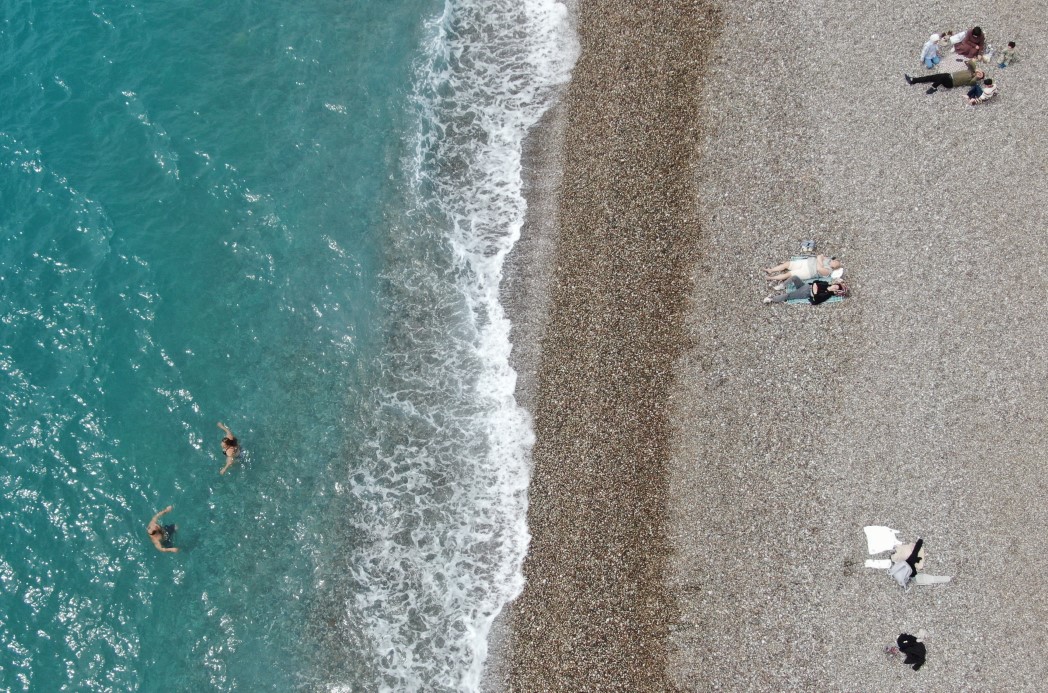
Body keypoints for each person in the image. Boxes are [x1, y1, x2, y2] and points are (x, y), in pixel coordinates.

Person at [904, 60, 984, 94]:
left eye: (980, 76)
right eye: (980, 73)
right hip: (949, 75)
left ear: (979, 78)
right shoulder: (970, 70)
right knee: (932, 77)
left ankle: (934, 87)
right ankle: (913, 80)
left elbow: (972, 83)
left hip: (951, 83)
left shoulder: (973, 80)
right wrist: (976, 69)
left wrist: (977, 77)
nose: (979, 74)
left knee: (942, 78)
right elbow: (969, 62)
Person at [763, 277, 848, 305]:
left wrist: (814, 291)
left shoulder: (827, 294)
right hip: (805, 286)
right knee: (795, 277)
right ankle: (782, 286)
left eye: (836, 288)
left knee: (787, 295)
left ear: (836, 291)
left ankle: (771, 299)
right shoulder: (826, 283)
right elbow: (816, 282)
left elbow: (816, 301)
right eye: (835, 285)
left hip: (805, 292)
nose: (834, 287)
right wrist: (815, 287)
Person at [763, 255, 842, 282]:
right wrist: (820, 263)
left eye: (835, 263)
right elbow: (819, 256)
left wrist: (819, 261)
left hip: (808, 272)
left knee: (788, 274)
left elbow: (819, 269)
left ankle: (771, 278)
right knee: (787, 264)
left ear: (834, 267)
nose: (834, 261)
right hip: (806, 262)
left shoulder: (828, 271)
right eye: (835, 261)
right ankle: (771, 270)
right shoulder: (828, 259)